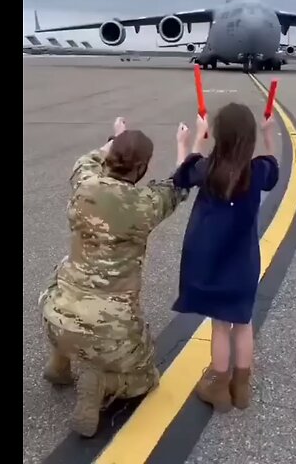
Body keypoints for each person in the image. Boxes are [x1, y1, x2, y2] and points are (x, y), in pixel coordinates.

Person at [39, 116, 191, 437]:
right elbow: (178, 185)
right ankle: (101, 383)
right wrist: (184, 147)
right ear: (141, 169)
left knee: (68, 281)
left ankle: (60, 361)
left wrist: (115, 139)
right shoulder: (143, 204)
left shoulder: (85, 184)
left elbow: (87, 160)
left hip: (55, 315)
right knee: (144, 378)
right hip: (108, 330)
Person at [171, 102, 279, 412]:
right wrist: (269, 134)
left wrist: (189, 142)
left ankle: (219, 385)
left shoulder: (206, 169)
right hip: (243, 263)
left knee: (220, 327)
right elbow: (274, 165)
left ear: (217, 135)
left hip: (211, 264)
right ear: (249, 139)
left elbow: (180, 176)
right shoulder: (258, 171)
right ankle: (241, 387)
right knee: (242, 323)